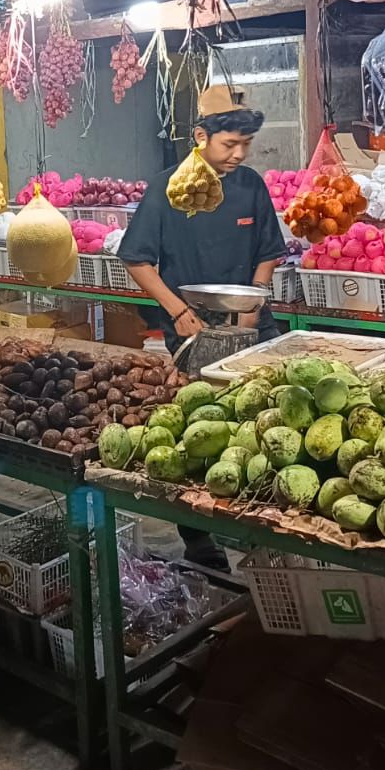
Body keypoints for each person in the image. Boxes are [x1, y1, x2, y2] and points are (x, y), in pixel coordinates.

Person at [117, 85, 286, 570]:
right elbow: (137, 259)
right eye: (230, 144)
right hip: (193, 330)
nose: (239, 154)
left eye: (245, 145)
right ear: (200, 137)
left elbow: (269, 251)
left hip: (254, 326)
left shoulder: (250, 185)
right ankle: (198, 538)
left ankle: (264, 527)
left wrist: (255, 298)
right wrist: (176, 311)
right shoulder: (168, 190)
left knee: (265, 426)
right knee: (198, 432)